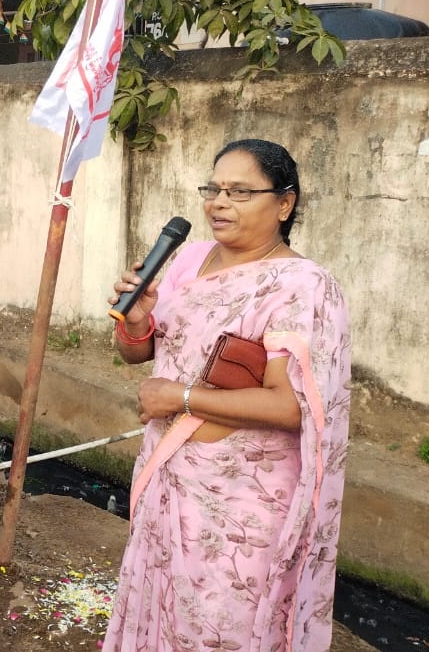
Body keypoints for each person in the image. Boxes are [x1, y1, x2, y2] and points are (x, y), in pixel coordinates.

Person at [103, 139, 350, 652]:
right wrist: (139, 320)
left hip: (241, 504)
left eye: (240, 192)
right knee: (162, 609)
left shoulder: (301, 286)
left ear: (284, 204)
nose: (219, 203)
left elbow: (290, 405)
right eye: (213, 189)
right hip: (170, 477)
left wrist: (180, 397)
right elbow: (138, 352)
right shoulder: (190, 258)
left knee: (221, 627)